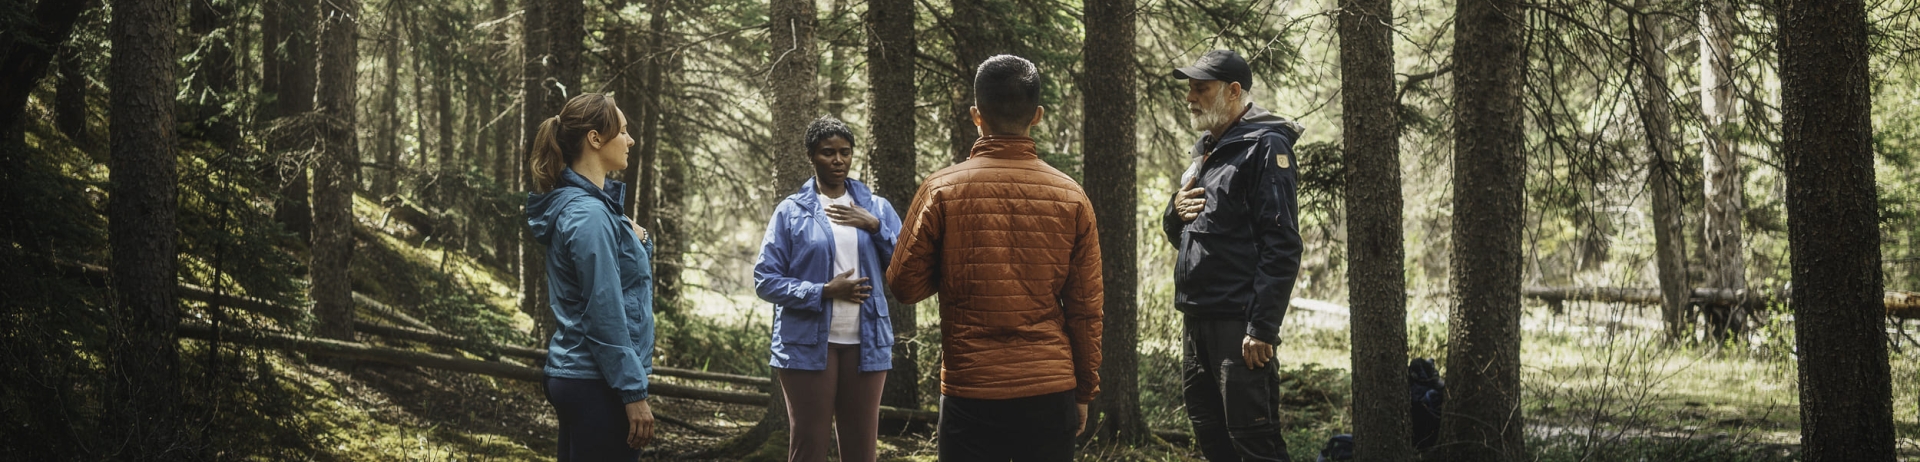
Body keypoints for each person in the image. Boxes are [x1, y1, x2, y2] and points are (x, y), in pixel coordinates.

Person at [887, 54, 1104, 462]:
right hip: (1049, 386)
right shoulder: (1071, 196)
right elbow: (1086, 309)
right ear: (1037, 115)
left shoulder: (941, 189)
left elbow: (904, 285)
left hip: (971, 388)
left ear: (976, 115)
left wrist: (952, 266)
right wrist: (1085, 390)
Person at [1163, 49, 1306, 462]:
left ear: (1233, 91)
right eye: (1190, 88)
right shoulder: (1208, 150)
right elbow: (1187, 235)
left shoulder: (1266, 147)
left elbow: (1282, 244)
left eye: (1201, 89)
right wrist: (1174, 210)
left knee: (1254, 442)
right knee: (1212, 438)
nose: (1190, 97)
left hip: (1239, 326)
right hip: (1196, 320)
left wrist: (1262, 328)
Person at [752, 116, 901, 462]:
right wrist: (823, 291)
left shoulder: (876, 208)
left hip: (867, 343)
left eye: (845, 152)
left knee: (862, 450)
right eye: (828, 152)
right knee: (808, 447)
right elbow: (765, 279)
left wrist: (876, 227)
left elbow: (906, 266)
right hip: (805, 343)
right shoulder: (791, 211)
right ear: (811, 156)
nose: (838, 160)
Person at [524, 92, 657, 461]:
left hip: (588, 376)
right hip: (596, 381)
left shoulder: (595, 210)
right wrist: (633, 392)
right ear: (595, 139)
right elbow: (603, 310)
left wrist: (639, 236)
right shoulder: (590, 215)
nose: (630, 140)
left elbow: (622, 283)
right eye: (623, 131)